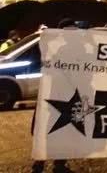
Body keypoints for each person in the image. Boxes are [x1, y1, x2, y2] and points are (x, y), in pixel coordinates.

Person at [32, 19, 76, 173]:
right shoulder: (52, 47)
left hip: (69, 95)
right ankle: (39, 164)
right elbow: (40, 62)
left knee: (64, 130)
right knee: (48, 129)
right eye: (68, 30)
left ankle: (59, 164)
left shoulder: (79, 49)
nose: (72, 33)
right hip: (53, 95)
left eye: (74, 30)